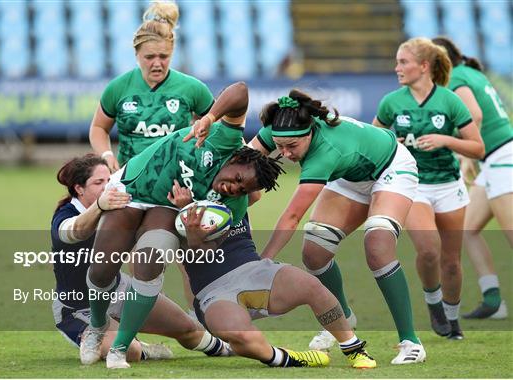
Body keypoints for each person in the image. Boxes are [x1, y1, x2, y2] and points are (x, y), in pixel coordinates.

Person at [81, 82, 285, 369]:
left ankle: (119, 347)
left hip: (166, 207)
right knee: (102, 268)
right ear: (237, 158)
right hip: (132, 188)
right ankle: (97, 324)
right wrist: (210, 117)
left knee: (150, 260)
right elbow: (240, 91)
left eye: (242, 190)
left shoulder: (233, 206)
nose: (233, 189)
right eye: (238, 179)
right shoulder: (224, 140)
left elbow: (205, 248)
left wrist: (190, 217)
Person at [249, 91, 426, 364]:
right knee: (314, 252)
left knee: (378, 247)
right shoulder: (281, 126)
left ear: (309, 134)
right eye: (279, 146)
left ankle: (411, 341)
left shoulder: (325, 152)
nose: (284, 154)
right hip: (351, 175)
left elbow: (292, 216)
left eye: (292, 147)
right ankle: (343, 317)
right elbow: (243, 160)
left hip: (391, 167)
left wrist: (264, 260)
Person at [169, 183, 377, 369]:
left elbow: (255, 194)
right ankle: (284, 357)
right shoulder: (168, 198)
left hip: (255, 270)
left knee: (311, 286)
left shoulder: (228, 181)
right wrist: (187, 216)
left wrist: (233, 183)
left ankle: (353, 348)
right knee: (238, 335)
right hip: (214, 291)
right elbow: (194, 258)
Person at [51, 154, 232, 364]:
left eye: (109, 180)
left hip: (119, 290)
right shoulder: (66, 214)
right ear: (79, 189)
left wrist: (185, 207)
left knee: (189, 329)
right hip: (78, 307)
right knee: (131, 351)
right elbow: (73, 231)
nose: (107, 187)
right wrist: (99, 206)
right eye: (98, 182)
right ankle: (145, 349)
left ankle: (229, 349)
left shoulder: (119, 207)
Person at [374, 37, 484, 339]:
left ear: (424, 66)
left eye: (403, 62)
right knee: (428, 250)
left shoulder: (449, 100)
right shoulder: (391, 102)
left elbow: (477, 147)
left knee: (451, 262)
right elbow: (374, 141)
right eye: (397, 62)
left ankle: (452, 318)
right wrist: (389, 144)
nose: (397, 68)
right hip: (414, 185)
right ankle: (433, 303)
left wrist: (445, 140)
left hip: (449, 185)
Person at [432, 36, 512, 320]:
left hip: (503, 159)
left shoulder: (455, 78)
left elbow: (474, 116)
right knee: (466, 229)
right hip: (495, 160)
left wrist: (465, 155)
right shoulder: (470, 72)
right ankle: (492, 299)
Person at [89, 0, 215, 172]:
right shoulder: (118, 88)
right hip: (129, 181)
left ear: (172, 52)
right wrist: (106, 154)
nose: (157, 63)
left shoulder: (192, 88)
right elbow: (99, 128)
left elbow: (221, 123)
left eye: (163, 56)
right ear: (137, 54)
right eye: (149, 57)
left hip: (178, 180)